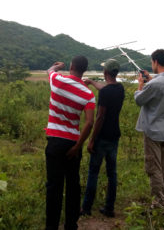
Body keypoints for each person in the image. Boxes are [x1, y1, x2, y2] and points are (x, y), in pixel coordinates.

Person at [44, 56, 95, 230]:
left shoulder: (57, 80)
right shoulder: (88, 94)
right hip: (73, 143)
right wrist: (77, 146)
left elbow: (50, 71)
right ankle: (71, 225)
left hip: (55, 142)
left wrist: (57, 66)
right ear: (84, 71)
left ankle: (51, 226)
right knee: (73, 186)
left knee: (54, 187)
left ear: (72, 66)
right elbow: (89, 123)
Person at [134, 49, 164, 207]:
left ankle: (159, 203)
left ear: (156, 62)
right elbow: (158, 88)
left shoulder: (155, 84)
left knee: (153, 167)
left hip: (153, 130)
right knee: (162, 166)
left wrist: (140, 84)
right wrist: (150, 80)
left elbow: (139, 100)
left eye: (152, 62)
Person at [81, 59, 125, 218]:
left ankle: (86, 208)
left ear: (105, 73)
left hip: (102, 138)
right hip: (115, 136)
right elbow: (106, 88)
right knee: (112, 174)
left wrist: (92, 139)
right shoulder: (120, 88)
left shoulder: (106, 92)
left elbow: (100, 117)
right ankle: (109, 208)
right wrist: (92, 82)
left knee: (93, 172)